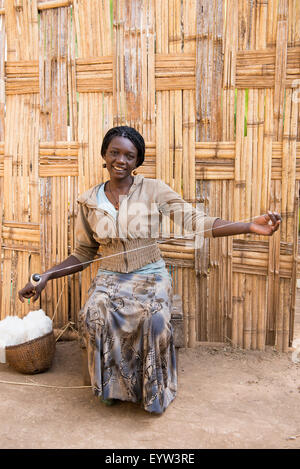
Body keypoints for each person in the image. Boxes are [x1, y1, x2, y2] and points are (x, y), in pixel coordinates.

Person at [18, 126, 281, 414]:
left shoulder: (153, 190)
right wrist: (46, 276)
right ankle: (112, 389)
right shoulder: (89, 201)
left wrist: (248, 225)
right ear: (104, 155)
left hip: (150, 274)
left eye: (129, 155)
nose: (121, 160)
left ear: (137, 161)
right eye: (114, 153)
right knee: (94, 314)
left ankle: (153, 393)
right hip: (109, 277)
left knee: (154, 318)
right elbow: (83, 253)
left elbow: (197, 222)